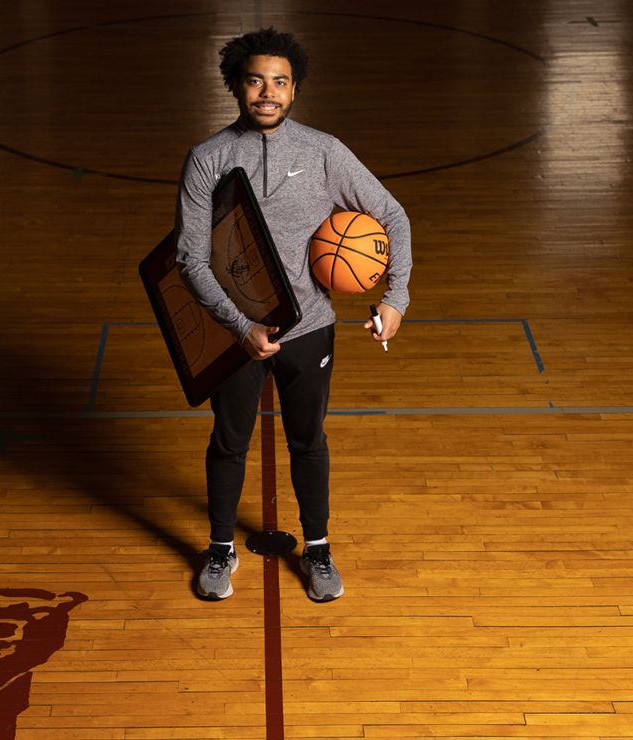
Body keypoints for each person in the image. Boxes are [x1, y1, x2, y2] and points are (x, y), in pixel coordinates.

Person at [175, 28, 411, 602]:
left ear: (294, 90)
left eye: (280, 82)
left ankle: (319, 548)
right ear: (236, 84)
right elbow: (187, 257)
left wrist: (395, 298)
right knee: (229, 442)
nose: (268, 92)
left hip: (309, 327)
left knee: (309, 439)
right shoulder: (208, 159)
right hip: (237, 331)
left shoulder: (325, 152)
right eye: (256, 80)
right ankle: (220, 550)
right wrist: (240, 327)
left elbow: (393, 216)